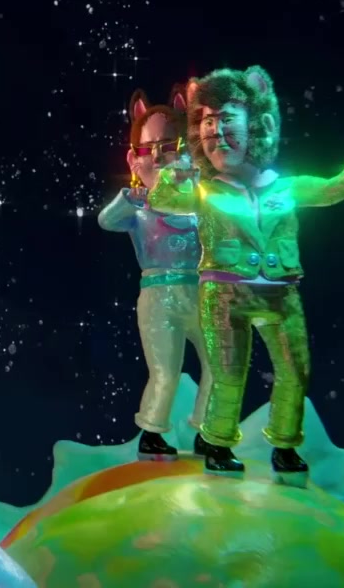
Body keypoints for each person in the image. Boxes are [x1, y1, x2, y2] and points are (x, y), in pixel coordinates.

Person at [148, 65, 344, 485]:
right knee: (228, 372)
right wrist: (171, 175)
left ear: (256, 124)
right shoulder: (205, 191)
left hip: (281, 292)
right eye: (208, 121)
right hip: (225, 295)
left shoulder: (283, 187)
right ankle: (217, 443)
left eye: (227, 118)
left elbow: (328, 189)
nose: (216, 131)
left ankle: (286, 446)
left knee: (295, 370)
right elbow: (164, 200)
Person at [97, 86, 213, 461]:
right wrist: (127, 198)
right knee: (165, 371)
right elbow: (106, 221)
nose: (160, 157)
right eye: (150, 149)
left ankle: (210, 430)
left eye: (170, 146)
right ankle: (152, 432)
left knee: (220, 364)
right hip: (159, 297)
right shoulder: (139, 207)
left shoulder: (200, 202)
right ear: (134, 159)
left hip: (203, 292)